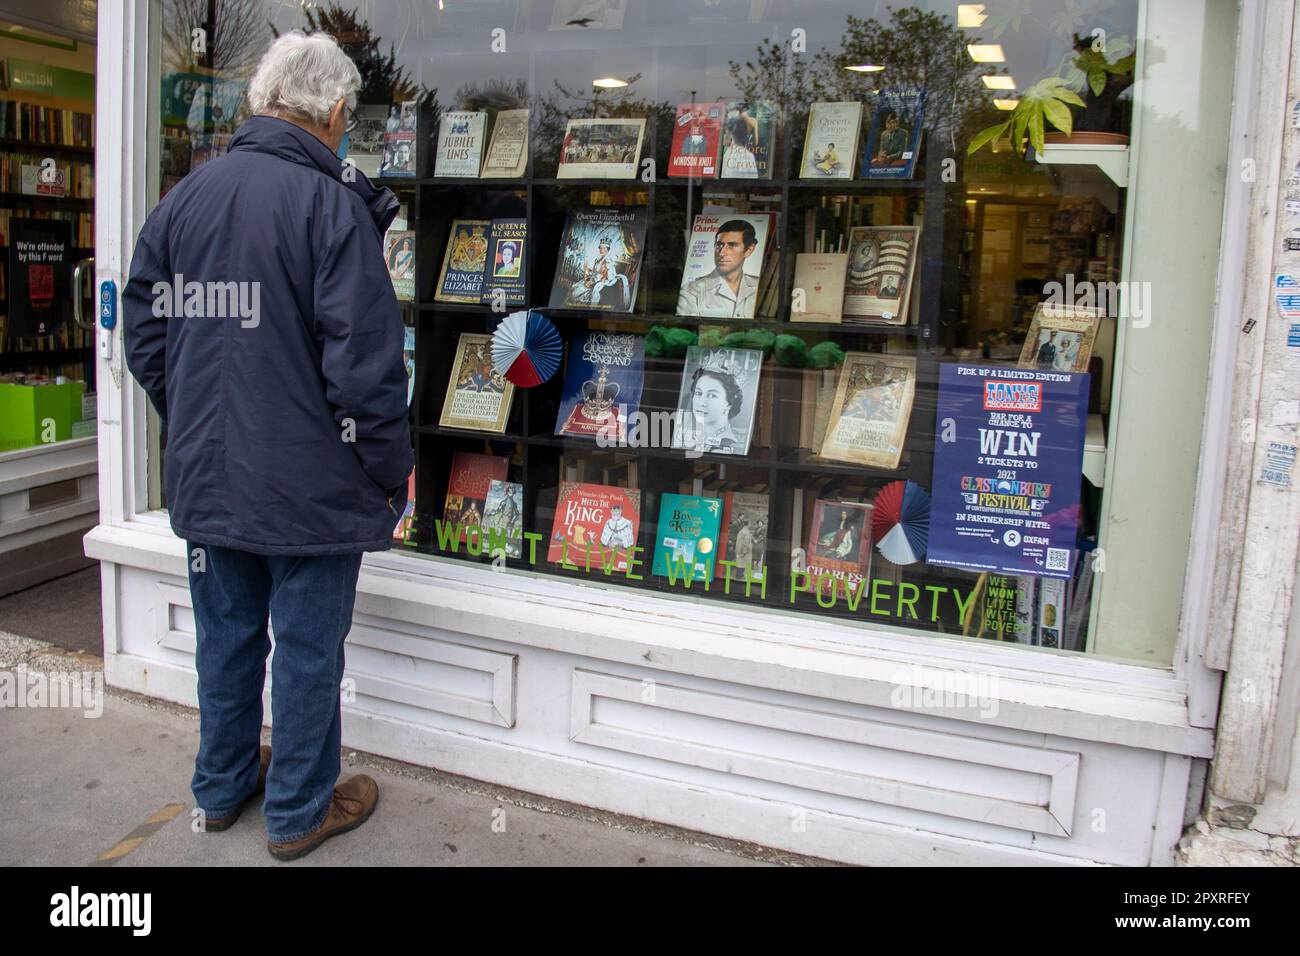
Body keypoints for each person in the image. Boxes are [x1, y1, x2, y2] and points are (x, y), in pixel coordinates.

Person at [122, 31, 410, 861]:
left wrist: (194, 414)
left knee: (228, 638)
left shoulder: (188, 196)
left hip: (211, 480)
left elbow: (144, 332)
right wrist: (388, 470)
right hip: (309, 489)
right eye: (349, 116)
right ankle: (296, 813)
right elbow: (364, 366)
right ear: (333, 112)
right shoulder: (332, 206)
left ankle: (218, 792)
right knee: (309, 648)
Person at [676, 219, 760, 318]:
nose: (721, 253)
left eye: (732, 245)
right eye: (719, 245)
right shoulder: (692, 290)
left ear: (749, 250)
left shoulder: (758, 286)